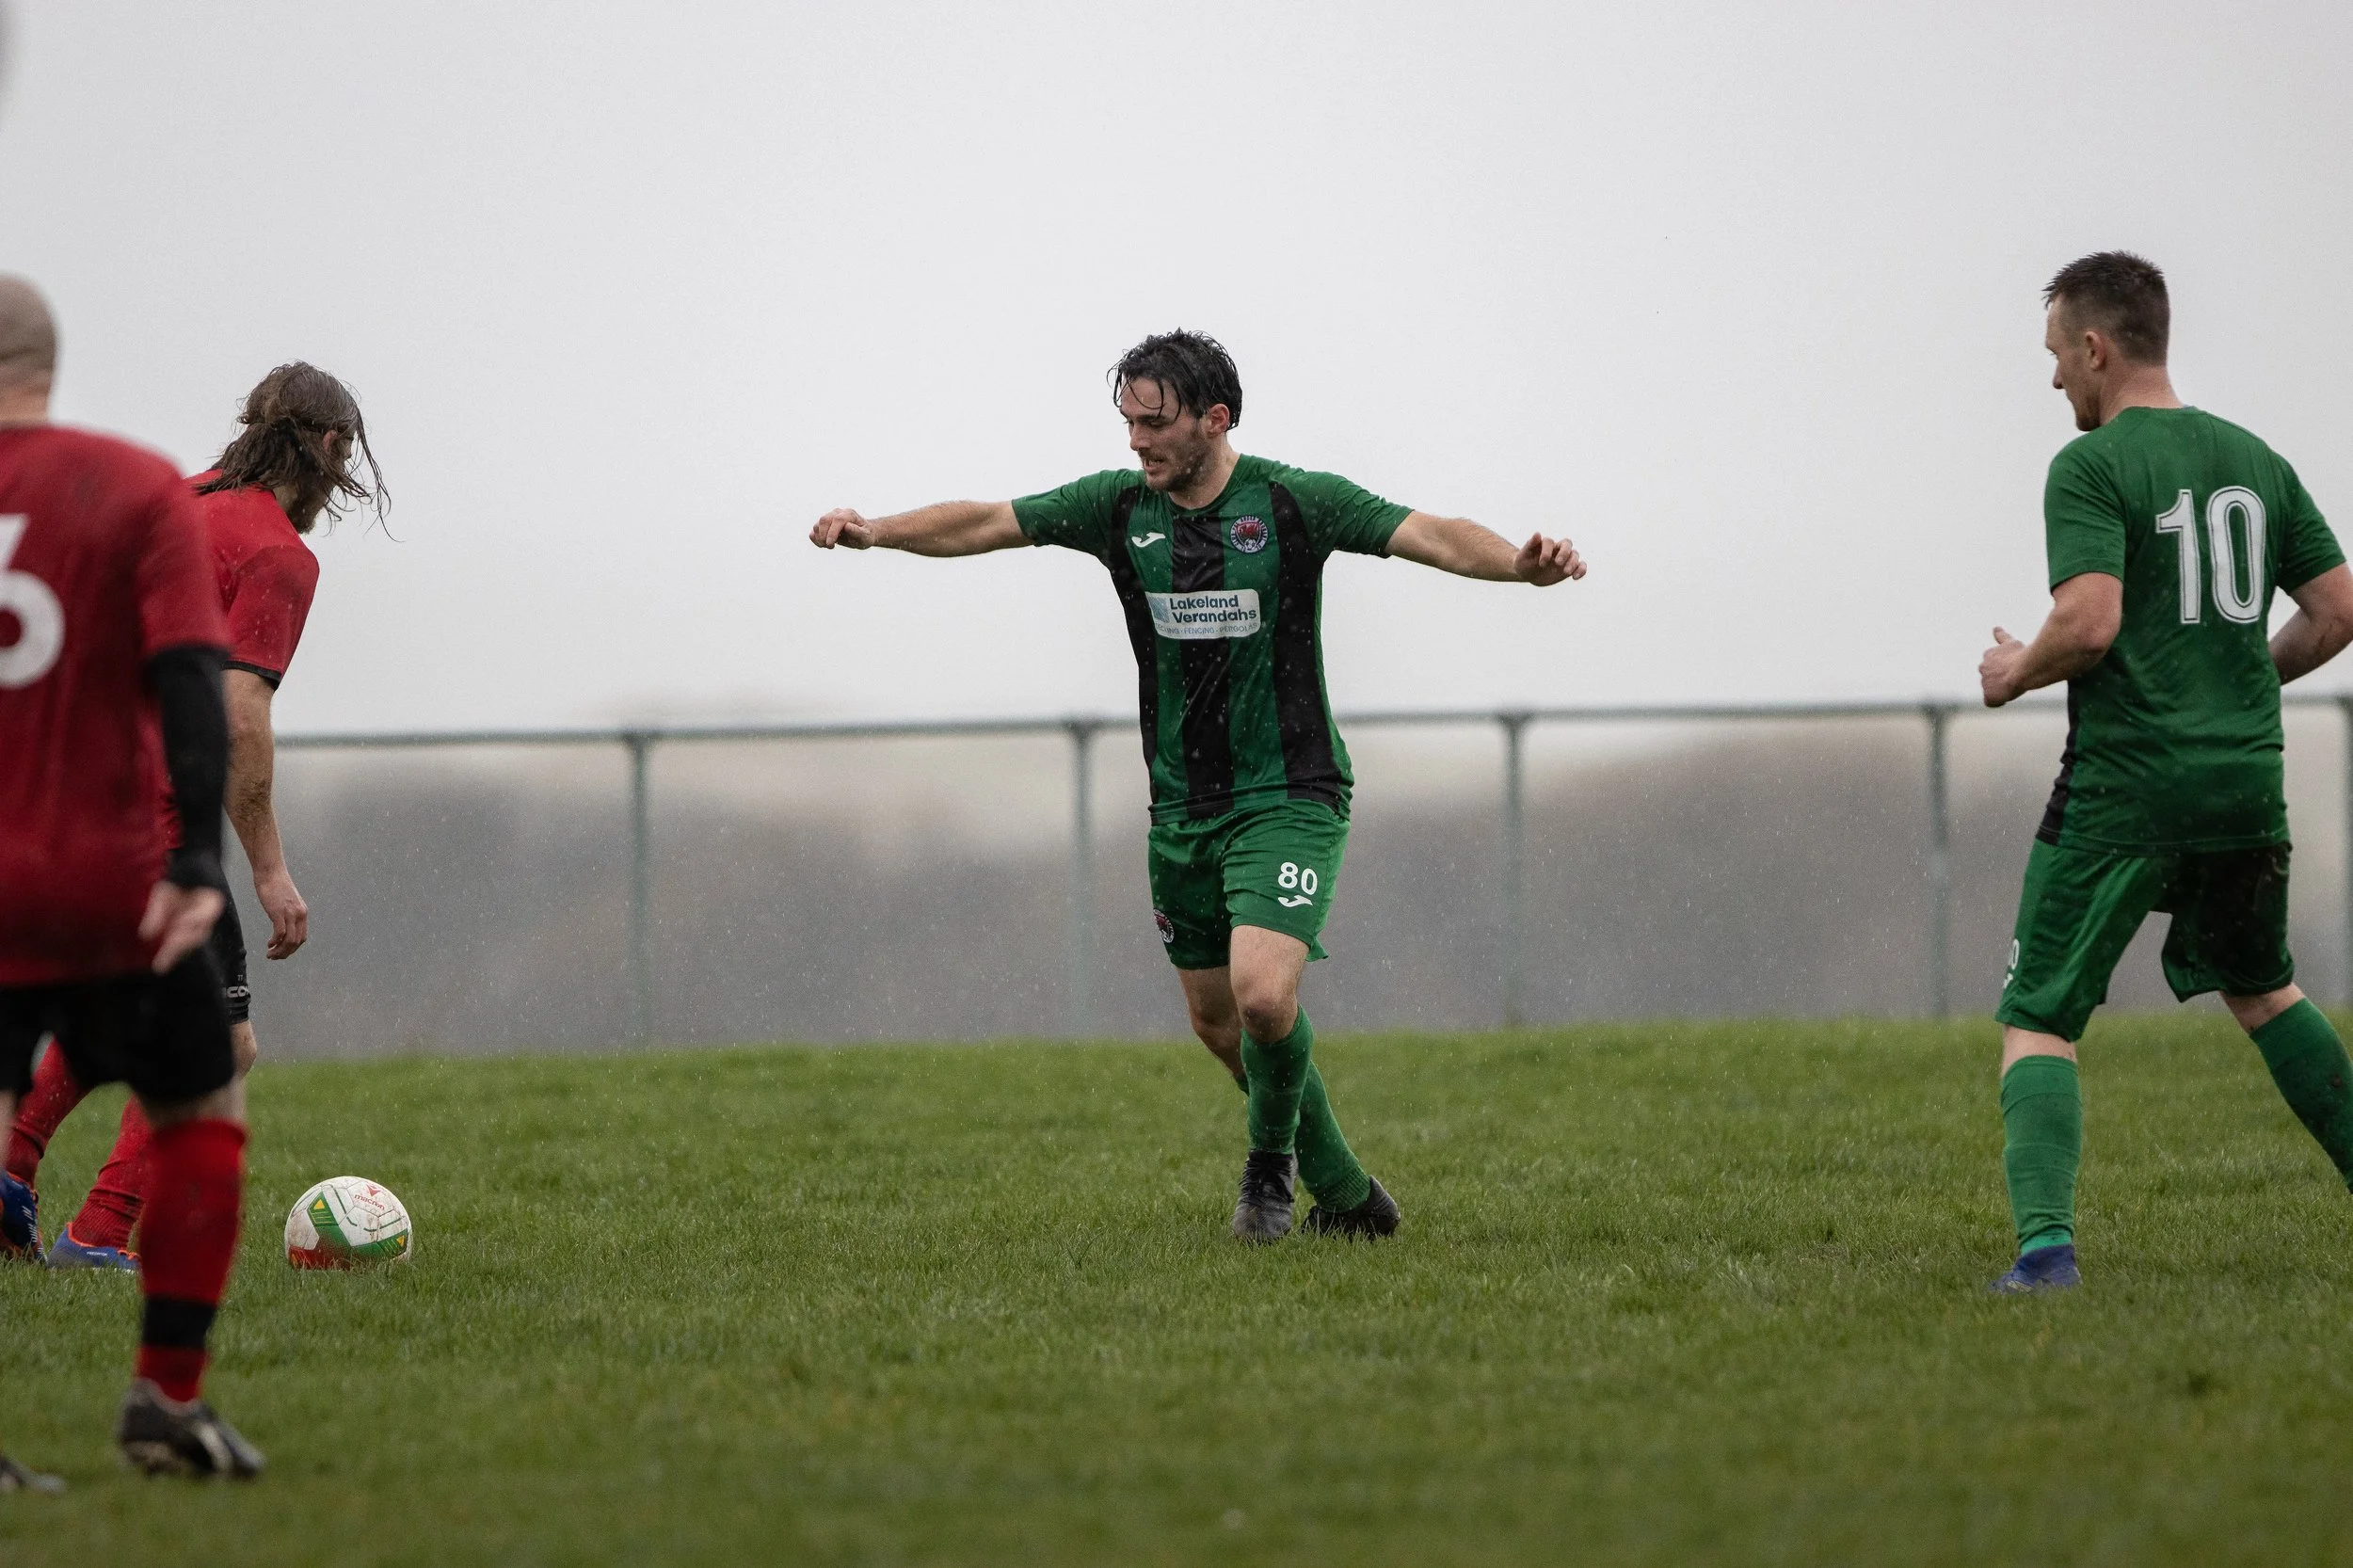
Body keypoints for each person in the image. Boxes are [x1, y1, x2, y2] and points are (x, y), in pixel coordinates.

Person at [810, 329, 1586, 1241]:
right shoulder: (1116, 509)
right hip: (1180, 804)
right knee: (1219, 1023)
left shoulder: (1297, 500)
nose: (1136, 444)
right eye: (1128, 424)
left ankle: (1267, 1173)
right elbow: (986, 521)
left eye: (1155, 424)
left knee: (1263, 996)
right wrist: (878, 532)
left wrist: (1518, 565)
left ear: (1216, 420)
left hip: (1289, 791)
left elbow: (1430, 533)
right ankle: (1347, 1195)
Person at [1978, 252, 2353, 1292]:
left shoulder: (2090, 467)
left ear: (2094, 347)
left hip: (2124, 786)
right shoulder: (2254, 460)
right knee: (2265, 989)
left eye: (2056, 356)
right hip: (2243, 783)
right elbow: (2336, 610)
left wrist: (2015, 670)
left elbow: (2088, 623)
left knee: (2041, 1013)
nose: (2054, 379)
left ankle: (2046, 1255)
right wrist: (2236, 683)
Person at [3, 362, 379, 1271]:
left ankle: (11, 1176)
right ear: (329, 447)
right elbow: (240, 715)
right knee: (226, 1044)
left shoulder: (174, 499)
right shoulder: (280, 554)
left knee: (111, 1015)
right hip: (162, 821)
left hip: (71, 801)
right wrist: (269, 868)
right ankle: (98, 1235)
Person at [0, 276, 264, 1477]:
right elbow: (194, 677)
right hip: (98, 880)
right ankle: (164, 1399)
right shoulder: (133, 483)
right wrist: (199, 861)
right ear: (47, 360)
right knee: (204, 1097)